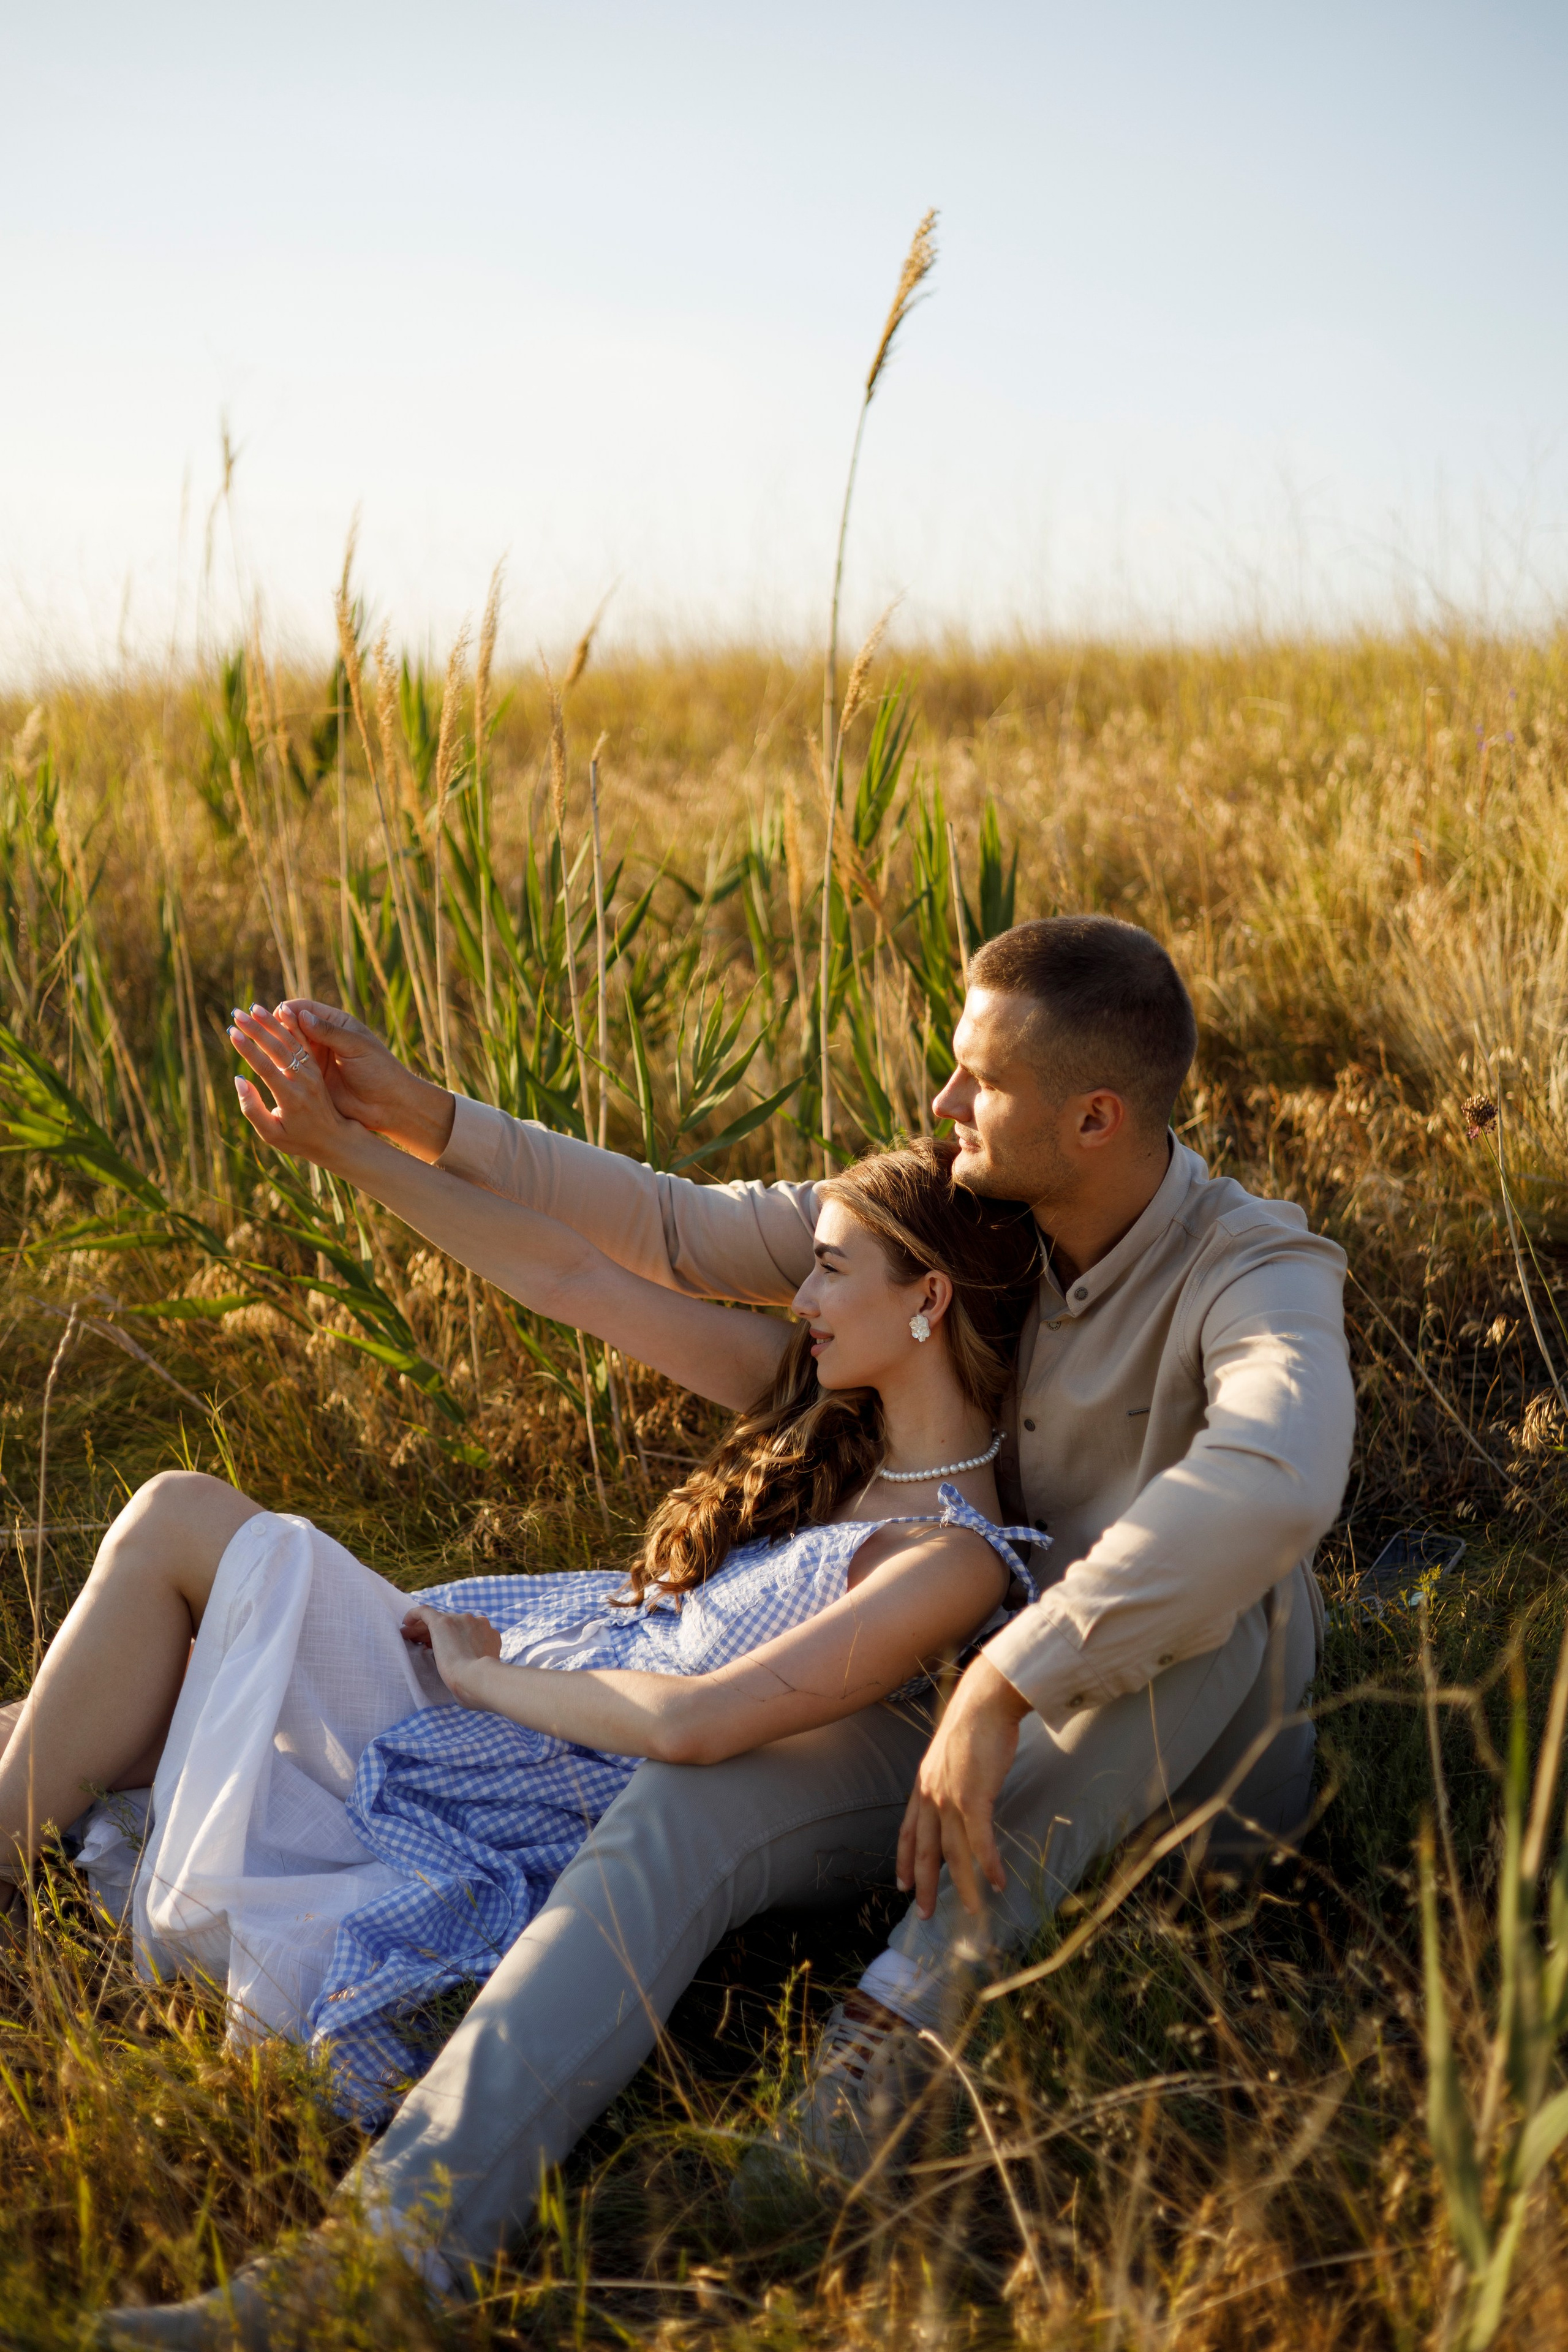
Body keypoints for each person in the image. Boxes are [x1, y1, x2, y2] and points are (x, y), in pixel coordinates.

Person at [98, 913, 1355, 2345]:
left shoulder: (1254, 1269)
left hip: (1152, 1752)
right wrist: (415, 1117)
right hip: (914, 1691)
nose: (941, 1108)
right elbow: (667, 1229)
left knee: (1218, 1593)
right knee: (687, 1795)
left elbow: (1276, 1471)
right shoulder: (964, 1215)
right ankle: (387, 2256)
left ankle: (903, 2014)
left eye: (977, 1083)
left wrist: (1018, 1668)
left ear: (1093, 1117)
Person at [0, 1127, 1042, 2108]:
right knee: (53, 1718)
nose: (803, 1294)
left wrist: (482, 1681)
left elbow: (698, 1722)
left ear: (930, 1299)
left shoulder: (948, 1560)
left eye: (830, 1268)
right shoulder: (822, 1416)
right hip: (479, 1681)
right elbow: (571, 1279)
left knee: (179, 1521)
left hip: (508, 1758)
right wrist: (346, 1149)